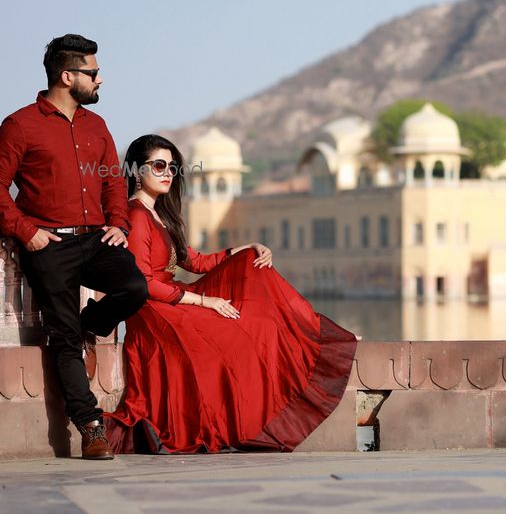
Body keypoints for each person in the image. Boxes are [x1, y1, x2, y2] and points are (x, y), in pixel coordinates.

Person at [104, 134, 357, 453]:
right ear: (137, 171)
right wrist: (204, 301)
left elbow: (194, 261)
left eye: (172, 167)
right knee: (233, 333)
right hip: (154, 309)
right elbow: (145, 283)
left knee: (253, 266)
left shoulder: (159, 215)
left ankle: (310, 329)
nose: (168, 173)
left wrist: (243, 249)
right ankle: (307, 337)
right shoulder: (137, 215)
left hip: (174, 297)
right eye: (158, 166)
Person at [0, 34, 148, 460]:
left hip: (97, 240)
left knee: (133, 288)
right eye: (93, 72)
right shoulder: (20, 125)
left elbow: (112, 182)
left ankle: (90, 322)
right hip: (49, 246)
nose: (100, 80)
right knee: (63, 339)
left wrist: (118, 223)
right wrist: (26, 231)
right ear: (67, 76)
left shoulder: (96, 125)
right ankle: (90, 427)